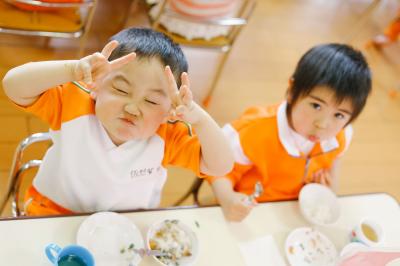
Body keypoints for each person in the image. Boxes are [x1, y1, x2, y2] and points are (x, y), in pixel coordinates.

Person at [2, 27, 234, 216]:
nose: (133, 108)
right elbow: (13, 86)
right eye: (121, 89)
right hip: (52, 212)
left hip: (123, 229)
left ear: (168, 112)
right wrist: (72, 70)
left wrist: (200, 119)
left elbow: (220, 165)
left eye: (152, 101)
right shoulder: (73, 103)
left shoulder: (167, 136)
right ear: (96, 85)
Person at [206, 43, 372, 222]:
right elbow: (217, 169)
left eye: (339, 115)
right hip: (250, 210)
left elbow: (335, 162)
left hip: (295, 211)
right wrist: (227, 198)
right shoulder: (254, 130)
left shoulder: (341, 135)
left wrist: (330, 190)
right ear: (292, 91)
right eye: (316, 105)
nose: (323, 124)